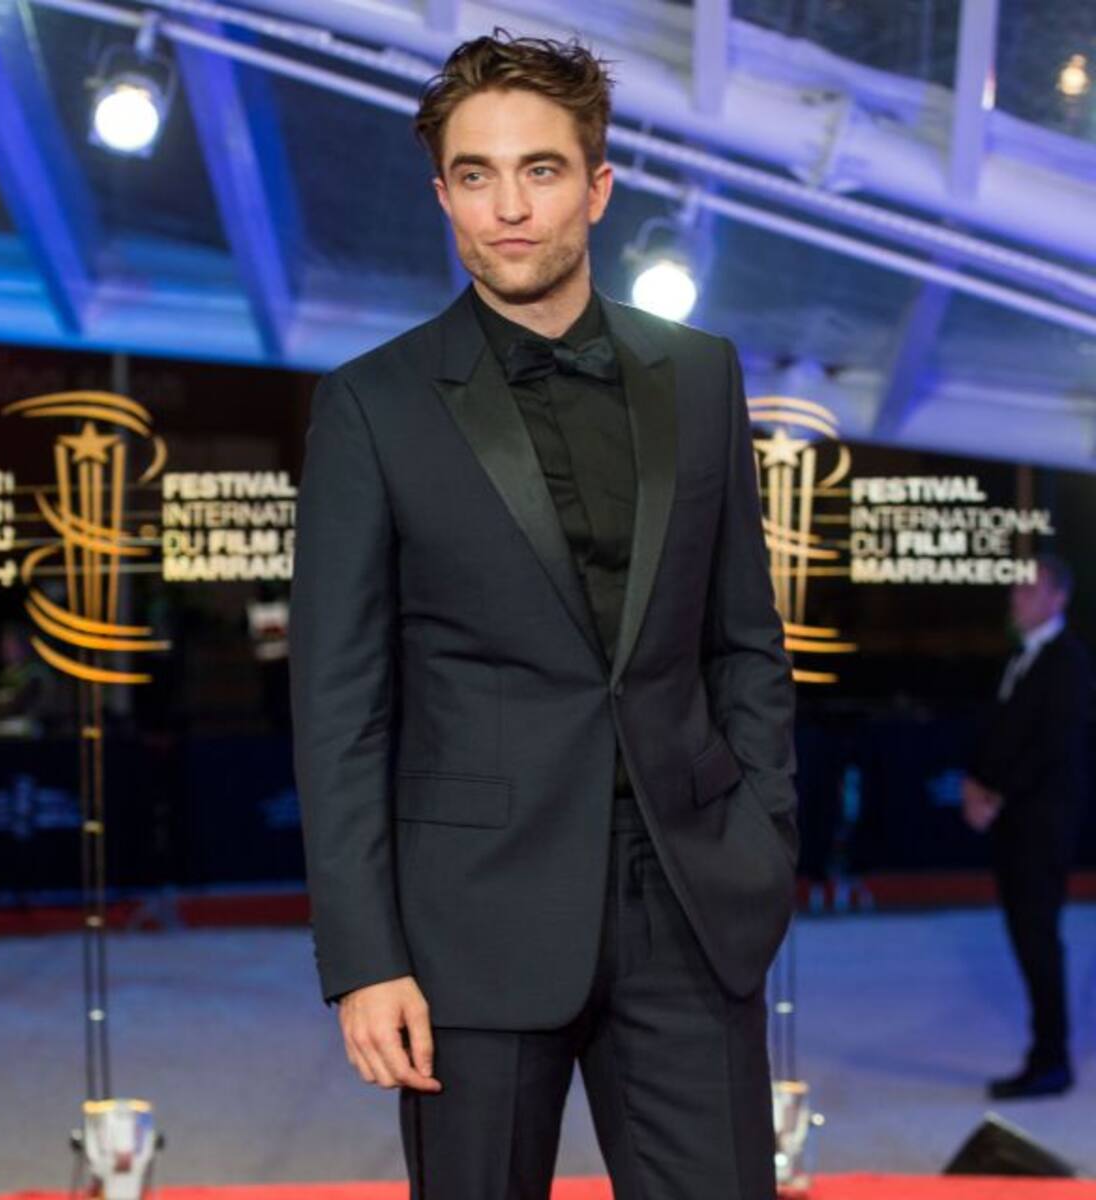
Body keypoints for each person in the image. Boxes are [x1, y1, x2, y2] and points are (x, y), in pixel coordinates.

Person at [289, 31, 797, 1198]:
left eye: (541, 170)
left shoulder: (702, 375)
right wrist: (364, 957)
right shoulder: (372, 404)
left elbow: (744, 642)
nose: (508, 208)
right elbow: (339, 704)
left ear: (598, 188)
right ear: (443, 196)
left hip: (690, 903)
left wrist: (763, 842)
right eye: (476, 175)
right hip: (469, 922)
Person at [962, 554, 1091, 1100]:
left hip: (1041, 825)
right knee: (1026, 937)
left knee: (1038, 940)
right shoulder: (1022, 657)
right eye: (1015, 589)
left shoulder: (1068, 663)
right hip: (1016, 823)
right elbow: (1001, 732)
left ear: (1058, 598)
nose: (1016, 598)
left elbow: (1052, 748)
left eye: (1029, 589)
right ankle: (1046, 1054)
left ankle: (1051, 1060)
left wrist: (993, 794)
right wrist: (975, 781)